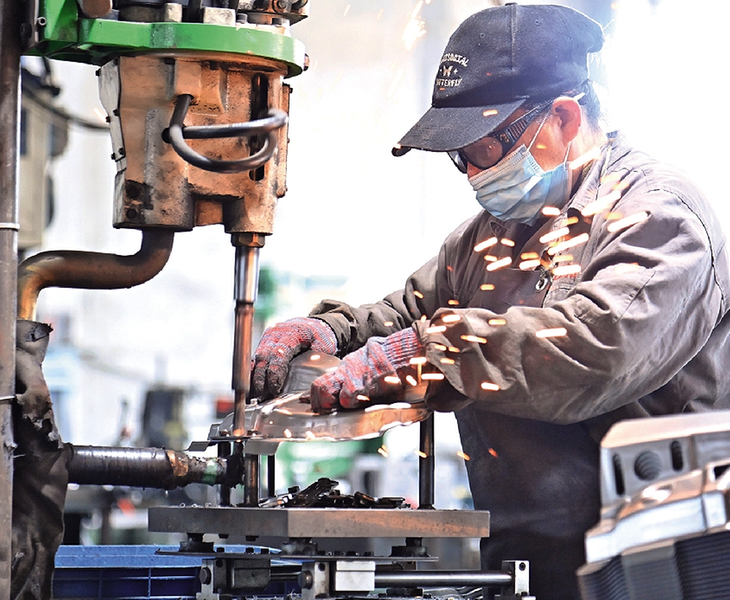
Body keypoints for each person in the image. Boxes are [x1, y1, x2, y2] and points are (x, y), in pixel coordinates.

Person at [250, 3, 730, 599]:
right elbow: (414, 311)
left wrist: (426, 353)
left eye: (482, 150)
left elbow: (593, 350)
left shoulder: (657, 217)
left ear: (562, 117)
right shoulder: (494, 235)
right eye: (460, 157)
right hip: (523, 564)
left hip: (653, 567)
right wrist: (332, 332)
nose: (471, 174)